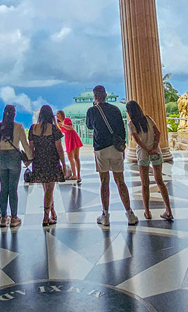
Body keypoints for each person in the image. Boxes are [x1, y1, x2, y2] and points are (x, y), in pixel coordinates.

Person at [86, 85, 138, 227]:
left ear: (95, 96)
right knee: (120, 181)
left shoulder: (92, 110)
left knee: (104, 181)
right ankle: (130, 213)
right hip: (115, 148)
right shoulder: (115, 109)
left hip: (101, 148)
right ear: (105, 95)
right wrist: (122, 149)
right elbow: (121, 129)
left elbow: (89, 126)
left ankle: (106, 215)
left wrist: (94, 107)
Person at [127, 100, 173, 221]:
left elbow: (137, 140)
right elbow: (158, 133)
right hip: (156, 151)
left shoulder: (131, 123)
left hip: (143, 154)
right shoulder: (148, 118)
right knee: (160, 181)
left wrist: (147, 149)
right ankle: (168, 210)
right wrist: (154, 147)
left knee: (144, 183)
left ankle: (147, 212)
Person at [30, 105, 68, 227]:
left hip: (39, 161)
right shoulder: (54, 129)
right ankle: (46, 217)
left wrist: (29, 160)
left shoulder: (33, 128)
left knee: (46, 189)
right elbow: (59, 148)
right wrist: (63, 163)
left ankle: (52, 211)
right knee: (49, 189)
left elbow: (31, 148)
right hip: (51, 161)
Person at [0, 104, 32, 228]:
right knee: (13, 189)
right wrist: (30, 158)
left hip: (1, 156)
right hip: (14, 158)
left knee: (3, 188)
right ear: (14, 114)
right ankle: (14, 217)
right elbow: (25, 145)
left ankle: (3, 217)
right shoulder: (18, 127)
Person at [57, 109, 82, 183]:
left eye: (58, 113)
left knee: (76, 157)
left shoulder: (66, 120)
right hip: (68, 139)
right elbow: (61, 131)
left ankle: (78, 175)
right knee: (70, 157)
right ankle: (74, 174)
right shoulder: (59, 123)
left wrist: (63, 125)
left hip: (73, 138)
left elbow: (70, 128)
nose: (57, 115)